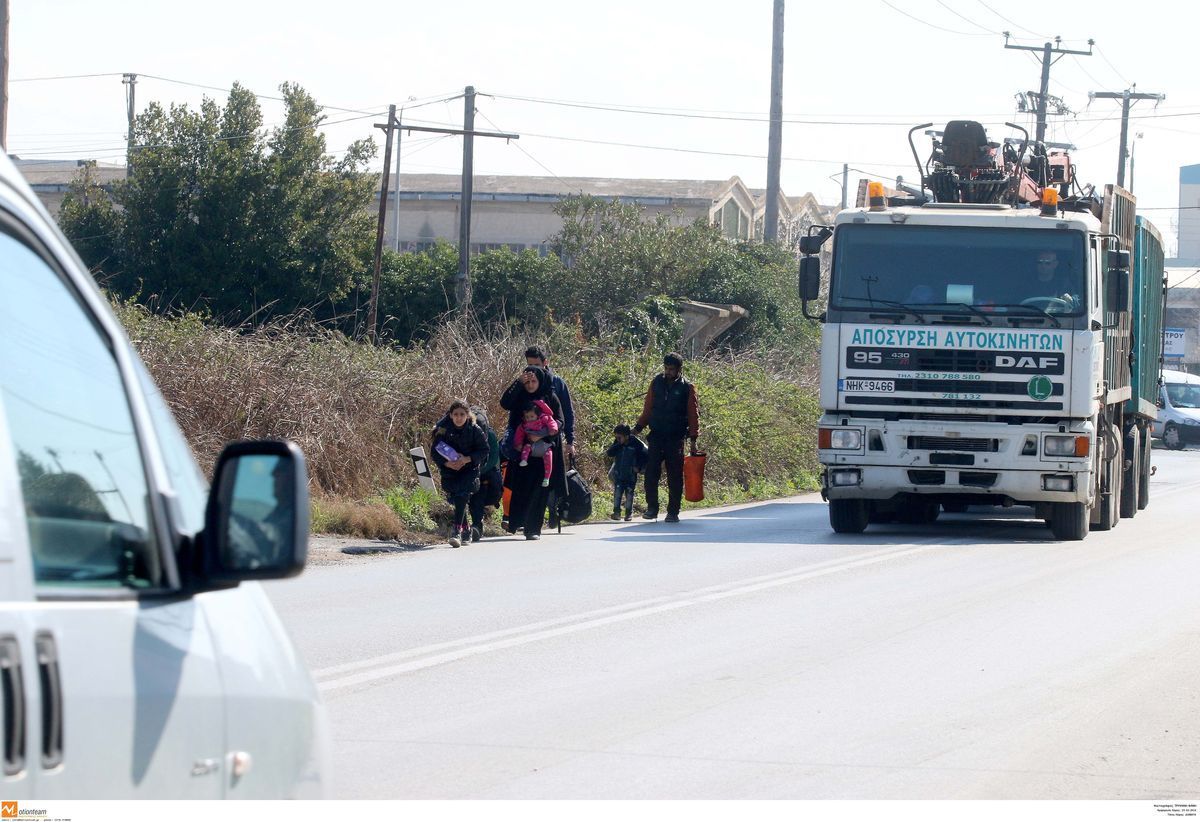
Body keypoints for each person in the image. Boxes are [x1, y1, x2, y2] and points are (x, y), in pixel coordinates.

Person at [633, 352, 700, 524]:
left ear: (679, 369)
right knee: (651, 473)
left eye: (672, 369)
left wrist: (693, 439)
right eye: (666, 368)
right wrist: (638, 427)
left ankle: (673, 512)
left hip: (675, 438)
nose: (668, 372)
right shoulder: (656, 383)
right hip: (656, 436)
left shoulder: (687, 388)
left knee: (675, 476)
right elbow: (648, 409)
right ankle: (652, 509)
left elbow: (693, 415)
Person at [500, 365, 566, 540]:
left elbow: (560, 421)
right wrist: (517, 382)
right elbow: (504, 403)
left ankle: (533, 529)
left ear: (540, 381)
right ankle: (518, 522)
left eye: (533, 381)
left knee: (540, 490)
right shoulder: (519, 397)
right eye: (527, 381)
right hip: (522, 451)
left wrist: (541, 434)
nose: (530, 385)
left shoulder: (550, 397)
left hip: (545, 451)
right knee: (521, 488)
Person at [430, 400, 489, 547]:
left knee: (463, 494)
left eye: (462, 414)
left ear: (467, 415)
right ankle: (467, 530)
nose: (459, 417)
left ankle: (456, 531)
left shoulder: (474, 429)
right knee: (456, 498)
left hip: (470, 468)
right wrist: (447, 463)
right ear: (450, 415)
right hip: (450, 469)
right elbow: (434, 451)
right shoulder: (443, 429)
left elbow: (484, 450)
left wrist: (467, 459)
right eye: (455, 414)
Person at [468, 406, 502, 543]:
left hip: (488, 474)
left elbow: (493, 459)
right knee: (475, 498)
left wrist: (479, 471)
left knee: (480, 494)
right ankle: (475, 525)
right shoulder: (465, 434)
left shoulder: (491, 435)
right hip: (472, 473)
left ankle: (476, 524)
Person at [606, 424, 647, 521]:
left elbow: (645, 456)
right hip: (619, 474)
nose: (617, 439)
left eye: (619, 437)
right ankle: (616, 513)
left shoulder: (636, 443)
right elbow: (609, 453)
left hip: (631, 475)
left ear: (626, 436)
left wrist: (638, 467)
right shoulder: (618, 443)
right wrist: (618, 445)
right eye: (616, 437)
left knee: (629, 494)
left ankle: (628, 514)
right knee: (617, 493)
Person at [514, 398, 559, 487]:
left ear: (537, 415)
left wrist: (552, 429)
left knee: (549, 459)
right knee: (526, 447)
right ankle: (524, 460)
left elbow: (551, 421)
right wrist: (518, 443)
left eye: (532, 416)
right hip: (532, 445)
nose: (529, 419)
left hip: (545, 446)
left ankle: (546, 478)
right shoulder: (524, 425)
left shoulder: (544, 418)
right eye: (527, 417)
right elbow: (519, 434)